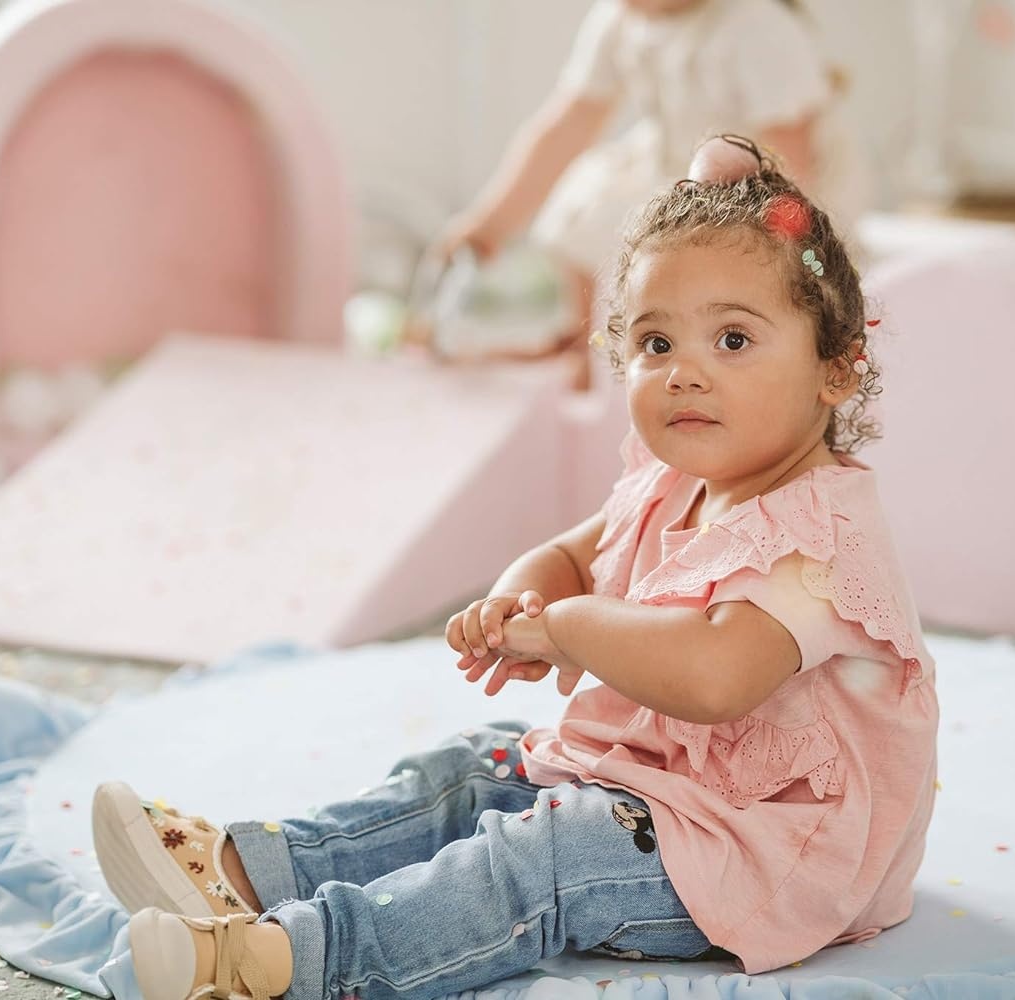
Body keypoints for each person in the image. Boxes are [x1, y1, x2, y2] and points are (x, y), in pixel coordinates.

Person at [91, 136, 934, 1000]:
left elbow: (719, 674)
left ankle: (286, 963)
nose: (684, 374)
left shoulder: (819, 537)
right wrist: (521, 600)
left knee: (551, 852)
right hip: (655, 785)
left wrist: (569, 630)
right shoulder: (677, 479)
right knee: (473, 773)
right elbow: (579, 553)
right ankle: (245, 869)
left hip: (769, 852)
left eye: (731, 339)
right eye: (654, 343)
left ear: (836, 369)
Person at [433, 0, 872, 376]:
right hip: (670, 164)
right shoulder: (622, 18)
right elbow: (567, 124)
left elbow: (791, 154)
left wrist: (778, 235)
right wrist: (491, 222)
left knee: (712, 274)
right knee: (587, 214)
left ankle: (681, 359)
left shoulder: (756, 25)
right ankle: (590, 347)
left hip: (755, 180)